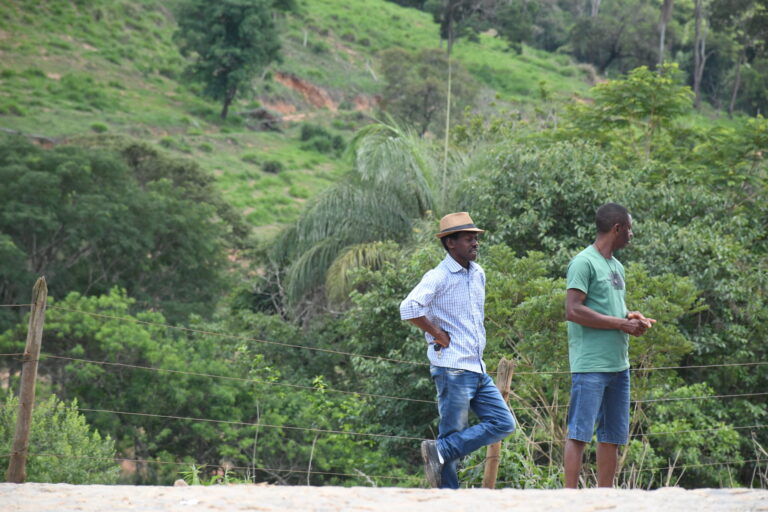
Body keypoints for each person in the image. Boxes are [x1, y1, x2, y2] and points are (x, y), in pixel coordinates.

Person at [399, 212, 516, 489]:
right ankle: (449, 495)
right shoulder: (438, 276)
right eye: (468, 238)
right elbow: (409, 308)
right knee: (453, 432)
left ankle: (440, 452)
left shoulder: (478, 274)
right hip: (452, 367)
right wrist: (437, 333)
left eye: (475, 238)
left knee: (503, 423)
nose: (475, 242)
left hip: (476, 366)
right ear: (451, 243)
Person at [563, 202, 655, 488]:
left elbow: (611, 309)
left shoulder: (616, 266)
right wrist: (619, 324)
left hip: (619, 364)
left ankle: (605, 498)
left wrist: (631, 318)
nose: (632, 234)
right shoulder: (583, 262)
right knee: (579, 434)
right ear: (617, 228)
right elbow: (573, 310)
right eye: (630, 228)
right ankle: (568, 500)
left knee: (613, 436)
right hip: (591, 364)